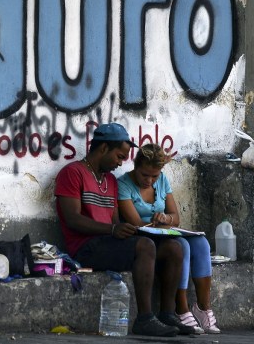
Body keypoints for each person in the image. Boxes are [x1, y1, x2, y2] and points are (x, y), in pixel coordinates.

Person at [54, 123, 194, 337]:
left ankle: (167, 314)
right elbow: (72, 219)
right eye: (119, 156)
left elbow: (115, 220)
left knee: (173, 248)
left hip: (108, 242)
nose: (121, 162)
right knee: (145, 246)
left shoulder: (109, 180)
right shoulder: (72, 173)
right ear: (103, 149)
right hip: (85, 248)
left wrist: (126, 229)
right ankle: (145, 319)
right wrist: (112, 230)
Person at [117, 143, 220, 334]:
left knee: (201, 243)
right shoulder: (123, 184)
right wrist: (161, 224)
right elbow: (137, 223)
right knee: (181, 246)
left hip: (163, 232)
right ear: (135, 167)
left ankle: (203, 307)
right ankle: (180, 309)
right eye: (144, 175)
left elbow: (175, 216)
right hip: (145, 238)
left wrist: (165, 218)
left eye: (154, 176)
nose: (149, 180)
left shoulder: (162, 180)